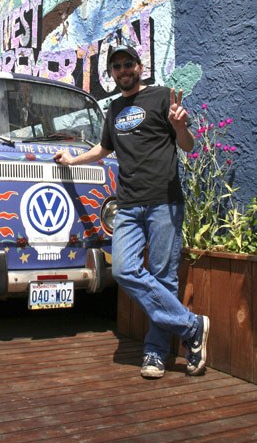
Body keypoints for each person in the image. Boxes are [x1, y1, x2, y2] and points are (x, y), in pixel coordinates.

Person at [54, 45, 210, 379]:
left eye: (128, 64)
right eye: (116, 67)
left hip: (163, 201)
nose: (123, 70)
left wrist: (180, 126)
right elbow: (103, 148)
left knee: (163, 277)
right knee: (124, 270)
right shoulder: (114, 110)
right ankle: (191, 326)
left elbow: (188, 145)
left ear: (140, 67)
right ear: (111, 74)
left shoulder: (162, 97)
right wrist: (71, 161)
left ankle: (155, 353)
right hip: (128, 203)